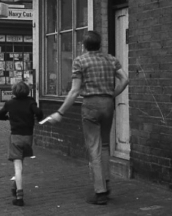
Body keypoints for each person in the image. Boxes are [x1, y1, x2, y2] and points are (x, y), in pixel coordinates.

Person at [48, 31, 129, 205]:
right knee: (105, 145)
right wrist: (111, 94)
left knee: (94, 148)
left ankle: (100, 192)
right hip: (108, 104)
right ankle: (106, 184)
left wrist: (60, 112)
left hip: (91, 105)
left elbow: (75, 90)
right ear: (100, 45)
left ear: (84, 45)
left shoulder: (80, 61)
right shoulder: (111, 59)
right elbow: (125, 79)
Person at [0, 81, 43, 207]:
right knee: (21, 163)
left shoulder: (10, 103)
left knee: (17, 167)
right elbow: (38, 112)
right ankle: (15, 185)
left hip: (15, 136)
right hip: (28, 137)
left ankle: (19, 196)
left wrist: (8, 118)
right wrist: (38, 118)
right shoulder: (31, 102)